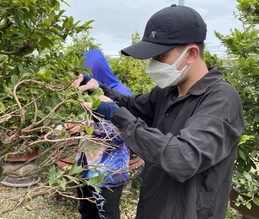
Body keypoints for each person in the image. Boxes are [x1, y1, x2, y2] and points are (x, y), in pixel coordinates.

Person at [73, 4, 245, 219]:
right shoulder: (168, 92)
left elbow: (183, 158)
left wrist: (116, 114)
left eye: (160, 56)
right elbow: (132, 106)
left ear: (191, 53)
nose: (152, 65)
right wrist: (101, 89)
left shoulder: (221, 99)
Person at [65, 49, 131, 219]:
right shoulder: (85, 93)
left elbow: (123, 132)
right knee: (86, 212)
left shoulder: (121, 94)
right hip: (85, 169)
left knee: (107, 214)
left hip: (108, 173)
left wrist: (86, 126)